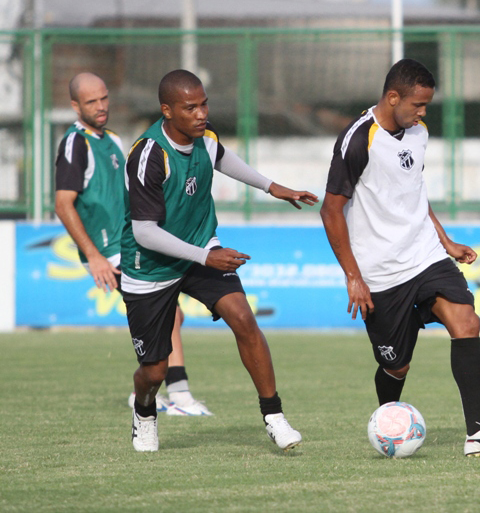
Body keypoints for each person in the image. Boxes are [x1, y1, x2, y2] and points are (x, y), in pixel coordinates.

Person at [320, 59, 480, 457]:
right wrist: (353, 277)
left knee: (466, 321)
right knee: (396, 366)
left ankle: (477, 432)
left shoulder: (418, 133)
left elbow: (413, 192)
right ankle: (388, 420)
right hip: (381, 272)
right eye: (418, 104)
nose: (423, 113)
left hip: (424, 255)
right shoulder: (358, 140)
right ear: (393, 97)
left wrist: (444, 241)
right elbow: (330, 210)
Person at [122, 69, 318, 452]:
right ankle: (145, 413)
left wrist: (272, 187)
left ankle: (274, 416)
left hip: (199, 247)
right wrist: (206, 257)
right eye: (190, 107)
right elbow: (145, 232)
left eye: (204, 103)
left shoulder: (205, 138)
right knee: (154, 370)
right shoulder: (149, 155)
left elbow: (223, 158)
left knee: (244, 318)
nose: (201, 113)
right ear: (167, 111)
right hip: (151, 266)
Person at [54, 72, 211, 417]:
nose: (101, 106)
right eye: (91, 101)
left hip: (129, 244)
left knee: (172, 315)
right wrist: (94, 256)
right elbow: (63, 204)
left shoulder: (110, 139)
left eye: (104, 98)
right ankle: (179, 396)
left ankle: (150, 391)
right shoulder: (75, 144)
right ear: (74, 106)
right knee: (170, 314)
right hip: (110, 251)